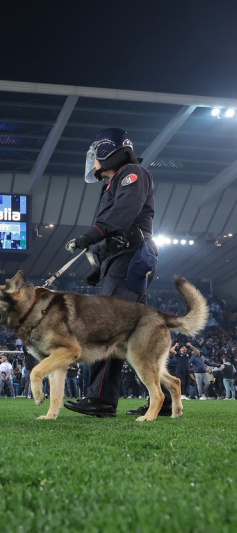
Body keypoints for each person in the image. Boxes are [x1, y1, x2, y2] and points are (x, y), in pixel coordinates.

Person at [62, 128, 164, 418]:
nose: (94, 163)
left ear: (108, 152)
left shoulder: (132, 173)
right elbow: (117, 228)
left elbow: (123, 214)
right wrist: (101, 266)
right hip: (123, 261)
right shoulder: (115, 181)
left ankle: (101, 399)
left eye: (96, 156)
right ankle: (165, 397)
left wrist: (90, 236)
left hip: (130, 259)